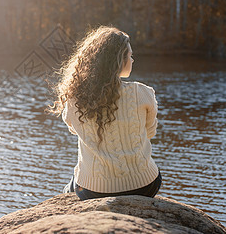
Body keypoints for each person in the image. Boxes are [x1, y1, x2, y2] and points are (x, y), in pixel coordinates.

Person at [47, 26, 161, 201]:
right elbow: (150, 132)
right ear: (118, 61)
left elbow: (74, 129)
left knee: (69, 188)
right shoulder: (143, 93)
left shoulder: (75, 99)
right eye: (129, 55)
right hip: (144, 185)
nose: (132, 59)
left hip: (93, 191)